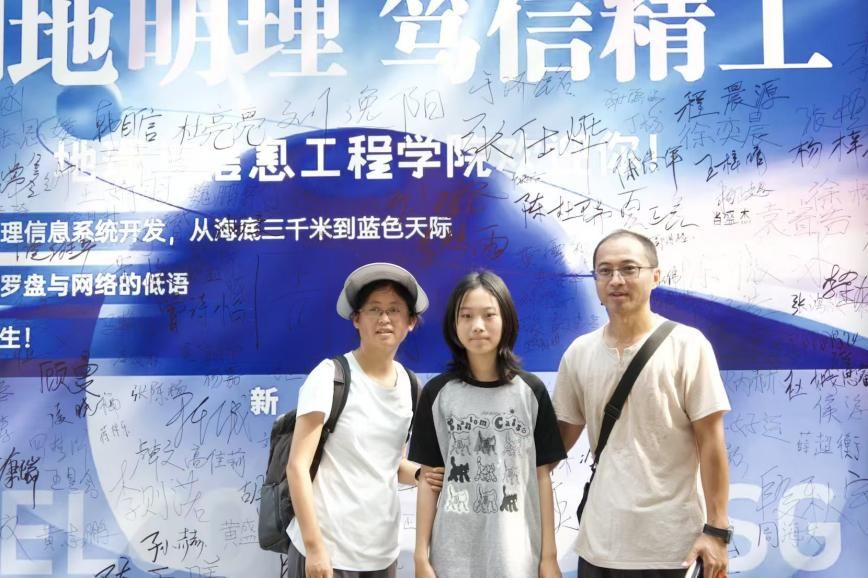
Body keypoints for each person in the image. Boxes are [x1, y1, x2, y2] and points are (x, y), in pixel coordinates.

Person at [552, 230, 731, 578]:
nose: (616, 280)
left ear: (655, 276)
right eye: (605, 271)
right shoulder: (579, 352)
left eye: (629, 269)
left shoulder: (688, 345)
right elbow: (556, 444)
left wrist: (717, 531)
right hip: (599, 544)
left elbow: (711, 443)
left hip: (671, 548)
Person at [286, 262, 443, 578]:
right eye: (374, 309)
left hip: (381, 554)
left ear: (411, 322)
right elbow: (297, 467)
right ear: (356, 319)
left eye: (394, 310)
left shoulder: (411, 386)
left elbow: (391, 465)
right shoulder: (330, 376)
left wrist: (422, 474)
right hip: (328, 551)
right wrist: (314, 549)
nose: (385, 319)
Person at [410, 270, 566, 578]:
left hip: (517, 556)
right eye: (466, 316)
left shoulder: (531, 392)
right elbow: (429, 480)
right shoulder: (437, 393)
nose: (477, 325)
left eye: (489, 315)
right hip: (453, 558)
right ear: (454, 325)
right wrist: (420, 555)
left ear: (506, 320)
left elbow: (542, 477)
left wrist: (549, 557)